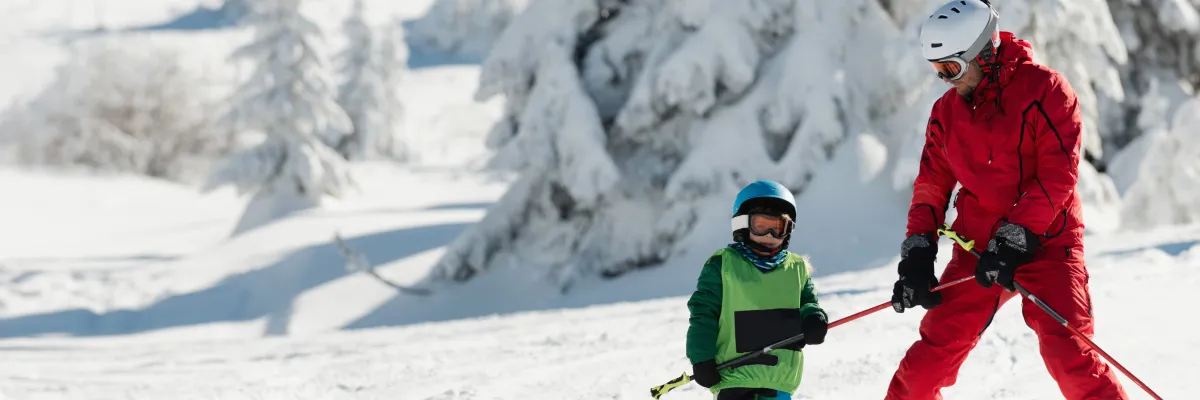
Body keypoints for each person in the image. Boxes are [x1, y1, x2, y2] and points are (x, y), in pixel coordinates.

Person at [886, 1, 1128, 399]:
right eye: (937, 71)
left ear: (983, 53)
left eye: (952, 69)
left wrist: (1017, 236)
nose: (947, 81)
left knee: (1071, 356)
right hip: (979, 250)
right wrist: (918, 250)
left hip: (1047, 244)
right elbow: (931, 184)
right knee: (927, 362)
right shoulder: (947, 113)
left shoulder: (1046, 91)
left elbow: (1057, 175)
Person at [685, 180, 828, 400]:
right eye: (761, 225)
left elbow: (809, 303)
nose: (770, 234)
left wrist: (814, 319)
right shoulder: (722, 265)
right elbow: (704, 315)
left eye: (778, 227)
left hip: (779, 379)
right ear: (743, 225)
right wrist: (701, 358)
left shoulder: (797, 268)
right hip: (735, 379)